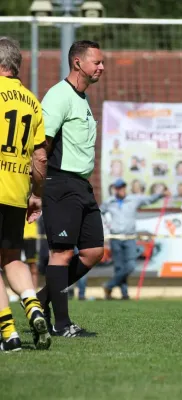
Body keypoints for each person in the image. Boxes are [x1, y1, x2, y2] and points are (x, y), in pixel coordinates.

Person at [37, 40, 105, 337]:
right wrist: (36, 189)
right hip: (60, 182)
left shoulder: (83, 99)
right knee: (61, 253)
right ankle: (61, 325)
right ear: (78, 63)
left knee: (93, 252)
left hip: (81, 185)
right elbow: (42, 145)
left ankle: (40, 301)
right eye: (97, 62)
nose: (102, 67)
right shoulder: (58, 95)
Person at [0, 36, 51, 351]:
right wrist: (36, 194)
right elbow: (41, 157)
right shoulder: (32, 101)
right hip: (18, 192)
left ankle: (9, 334)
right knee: (11, 258)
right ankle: (33, 306)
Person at [100, 178, 169, 300]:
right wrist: (105, 225)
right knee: (119, 267)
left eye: (122, 187)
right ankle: (124, 294)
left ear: (125, 188)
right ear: (115, 189)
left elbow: (149, 200)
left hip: (130, 237)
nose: (121, 189)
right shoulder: (109, 202)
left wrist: (161, 195)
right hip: (115, 237)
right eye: (118, 187)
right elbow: (99, 213)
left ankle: (109, 285)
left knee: (131, 265)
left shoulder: (133, 199)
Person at [22, 213, 39, 289]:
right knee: (16, 264)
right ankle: (22, 289)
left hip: (31, 237)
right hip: (17, 236)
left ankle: (34, 289)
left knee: (32, 264)